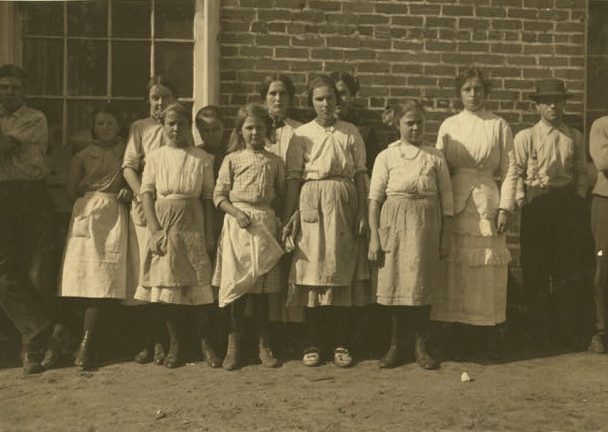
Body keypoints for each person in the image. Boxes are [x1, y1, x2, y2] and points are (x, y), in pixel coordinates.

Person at [430, 67, 518, 360]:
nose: (473, 95)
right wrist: (444, 209)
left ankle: (483, 336)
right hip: (457, 200)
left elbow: (510, 169)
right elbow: (440, 170)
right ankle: (454, 336)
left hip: (488, 203)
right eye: (467, 89)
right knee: (456, 268)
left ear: (486, 92)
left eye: (478, 89)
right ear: (459, 93)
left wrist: (505, 206)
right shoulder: (449, 125)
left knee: (485, 267)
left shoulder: (499, 125)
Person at [283, 75, 369, 368]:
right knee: (312, 272)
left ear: (338, 101)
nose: (325, 104)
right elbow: (294, 177)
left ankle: (340, 342)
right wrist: (290, 214)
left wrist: (362, 214)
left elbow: (359, 174)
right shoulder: (301, 135)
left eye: (330, 98)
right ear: (311, 103)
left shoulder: (350, 132)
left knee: (339, 270)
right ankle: (313, 341)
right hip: (311, 201)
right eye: (319, 99)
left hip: (344, 202)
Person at [368, 100, 454, 370]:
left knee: (420, 283)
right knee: (396, 283)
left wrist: (445, 235)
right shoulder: (387, 156)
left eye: (420, 122)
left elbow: (447, 199)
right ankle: (396, 344)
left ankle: (421, 345)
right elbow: (374, 199)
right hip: (394, 223)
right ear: (398, 125)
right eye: (409, 123)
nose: (415, 128)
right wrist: (374, 235)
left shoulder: (435, 156)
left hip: (426, 223)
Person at [134, 103, 216, 368]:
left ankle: (205, 343)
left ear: (188, 127)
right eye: (171, 123)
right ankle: (175, 344)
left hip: (192, 221)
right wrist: (155, 229)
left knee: (197, 285)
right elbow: (146, 193)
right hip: (165, 221)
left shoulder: (201, 158)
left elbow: (207, 198)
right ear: (164, 126)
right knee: (168, 286)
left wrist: (209, 234)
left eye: (181, 123)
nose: (176, 128)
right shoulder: (156, 157)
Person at [514, 79, 589, 350]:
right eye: (546, 101)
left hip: (566, 206)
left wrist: (579, 196)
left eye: (558, 100)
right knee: (535, 269)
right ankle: (539, 332)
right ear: (537, 106)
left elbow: (581, 170)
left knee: (565, 270)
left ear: (564, 103)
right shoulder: (526, 137)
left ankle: (563, 332)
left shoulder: (575, 136)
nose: (553, 106)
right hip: (537, 206)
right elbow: (517, 171)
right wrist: (522, 201)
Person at [58, 104, 131, 370]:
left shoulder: (126, 152)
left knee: (105, 280)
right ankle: (84, 343)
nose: (104, 129)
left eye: (109, 124)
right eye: (99, 124)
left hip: (113, 215)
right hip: (87, 215)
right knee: (82, 280)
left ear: (118, 127)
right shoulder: (82, 155)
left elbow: (135, 176)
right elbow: (70, 192)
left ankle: (89, 344)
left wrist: (127, 193)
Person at [212, 103, 285, 370]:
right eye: (249, 128)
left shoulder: (275, 161)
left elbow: (280, 195)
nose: (255, 133)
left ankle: (263, 345)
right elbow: (218, 196)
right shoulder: (231, 159)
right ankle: (234, 346)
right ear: (240, 131)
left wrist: (275, 221)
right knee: (238, 290)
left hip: (264, 225)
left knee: (262, 292)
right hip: (238, 226)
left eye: (260, 128)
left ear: (267, 130)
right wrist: (236, 213)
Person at [0, 64, 60, 374]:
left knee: (38, 272)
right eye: (4, 87)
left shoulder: (34, 118)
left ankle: (35, 347)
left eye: (14, 87)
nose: (8, 92)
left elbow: (8, 145)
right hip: (3, 196)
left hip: (32, 196)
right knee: (4, 271)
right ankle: (37, 327)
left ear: (24, 92)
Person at [122, 76, 178, 365]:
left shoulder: (179, 127)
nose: (160, 103)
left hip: (173, 207)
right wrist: (141, 195)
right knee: (144, 272)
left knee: (167, 272)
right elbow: (129, 167)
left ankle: (168, 341)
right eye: (155, 98)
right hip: (145, 207)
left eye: (165, 97)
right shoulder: (140, 128)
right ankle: (148, 339)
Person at [329, 71, 380, 171]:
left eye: (342, 93)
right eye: (332, 94)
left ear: (351, 96)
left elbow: (371, 167)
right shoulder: (313, 129)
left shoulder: (364, 130)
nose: (337, 99)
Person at [589, 113, 608, 354]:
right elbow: (603, 162)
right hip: (606, 201)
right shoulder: (601, 125)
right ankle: (602, 330)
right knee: (604, 265)